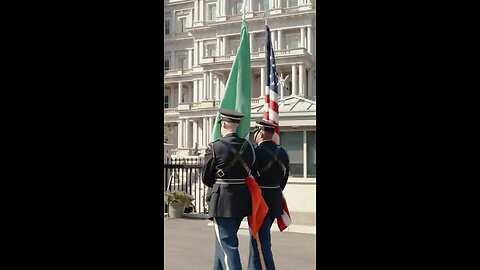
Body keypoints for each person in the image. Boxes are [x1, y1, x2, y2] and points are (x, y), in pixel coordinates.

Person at [202, 109, 256, 270]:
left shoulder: (215, 146)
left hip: (222, 201)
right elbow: (252, 169)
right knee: (224, 242)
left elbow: (206, 177)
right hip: (241, 200)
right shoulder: (248, 147)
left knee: (228, 246)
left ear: (223, 124)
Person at [248, 120, 290, 270]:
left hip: (260, 201)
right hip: (275, 198)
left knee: (261, 242)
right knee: (258, 240)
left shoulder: (255, 152)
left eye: (256, 132)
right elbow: (284, 179)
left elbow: (251, 178)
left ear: (261, 133)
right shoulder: (283, 151)